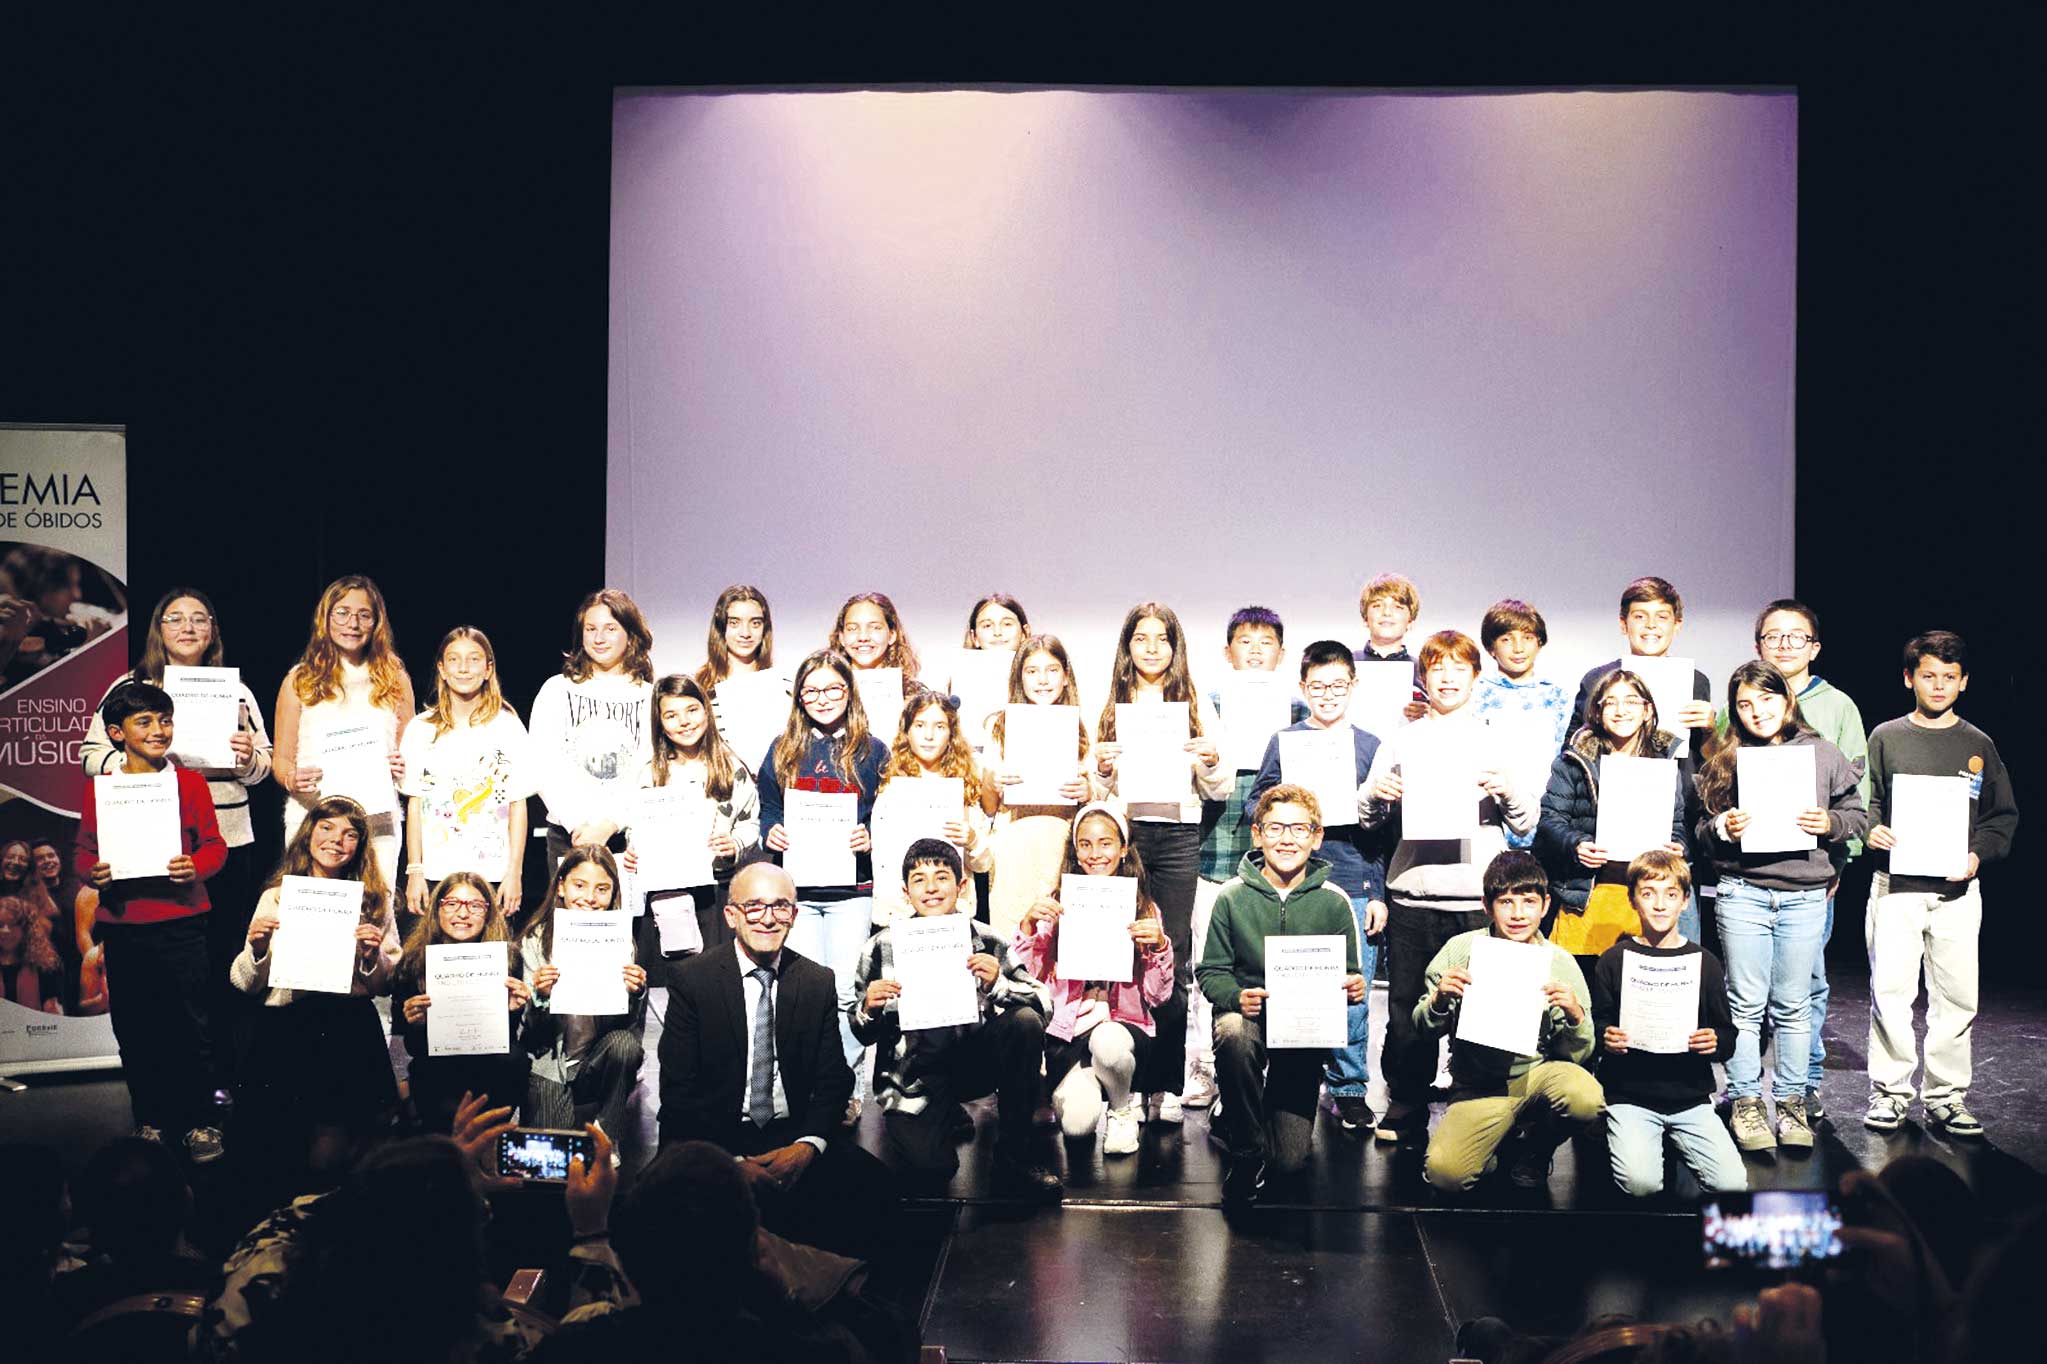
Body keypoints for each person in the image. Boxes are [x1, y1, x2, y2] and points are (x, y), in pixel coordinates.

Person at [201, 1117, 630, 1364]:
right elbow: (596, 1337)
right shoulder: (490, 1343)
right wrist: (592, 1231)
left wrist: (417, 1174)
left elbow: (299, 1216)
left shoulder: (255, 1292)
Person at [657, 857, 894, 1259]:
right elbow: (679, 1092)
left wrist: (808, 1145)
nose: (768, 918)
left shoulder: (817, 981)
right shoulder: (693, 980)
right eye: (754, 906)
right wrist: (730, 1162)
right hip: (712, 1138)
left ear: (794, 915)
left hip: (790, 1135)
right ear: (731, 915)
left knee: (878, 1192)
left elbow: (833, 1079)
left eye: (780, 906)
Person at [1358, 629, 1540, 1143]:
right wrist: (1377, 792)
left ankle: (1476, 1103)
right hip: (1414, 892)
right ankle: (1407, 1101)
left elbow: (1527, 820)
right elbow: (1366, 816)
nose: (1447, 678)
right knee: (1408, 1008)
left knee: (1483, 1008)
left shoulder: (1494, 738)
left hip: (1477, 898)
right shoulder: (1401, 738)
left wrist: (1505, 790)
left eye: (1459, 669)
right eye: (1437, 669)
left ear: (1475, 677)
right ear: (1424, 677)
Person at [82, 587, 272, 1054]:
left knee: (223, 960)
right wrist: (142, 778)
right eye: (175, 618)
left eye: (199, 619)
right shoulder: (131, 687)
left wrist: (248, 758)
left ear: (212, 632)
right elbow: (91, 755)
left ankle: (223, 1081)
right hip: (150, 844)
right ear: (158, 629)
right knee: (165, 973)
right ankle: (170, 1084)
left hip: (225, 840)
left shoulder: (238, 691)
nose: (187, 628)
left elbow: (264, 766)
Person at [1694, 660, 1868, 1153]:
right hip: (1743, 892)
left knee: (1792, 1006)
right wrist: (1724, 828)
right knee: (1744, 1006)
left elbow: (1856, 816)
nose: (1757, 712)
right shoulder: (1725, 757)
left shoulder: (1821, 752)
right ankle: (1746, 1100)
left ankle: (1791, 1102)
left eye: (1766, 700)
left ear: (1786, 700)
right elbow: (1701, 830)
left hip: (1804, 895)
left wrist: (1829, 822)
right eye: (1745, 704)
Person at [1863, 630, 2020, 1139]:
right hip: (1897, 886)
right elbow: (1868, 801)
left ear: (1964, 682)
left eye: (1949, 677)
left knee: (1956, 997)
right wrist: (1871, 829)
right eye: (1928, 675)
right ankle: (1889, 1094)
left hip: (1955, 890)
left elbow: (2001, 817)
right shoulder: (1886, 736)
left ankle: (1946, 1097)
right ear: (1909, 678)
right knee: (1890, 992)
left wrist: (1977, 855)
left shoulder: (1977, 744)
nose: (1938, 685)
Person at [850, 839, 1059, 1196]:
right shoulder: (881, 945)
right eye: (919, 880)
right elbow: (861, 1032)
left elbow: (1043, 1005)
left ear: (961, 886)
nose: (931, 888)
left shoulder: (987, 938)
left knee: (1022, 1022)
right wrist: (867, 1008)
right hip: (914, 1078)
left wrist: (999, 984)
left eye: (942, 877)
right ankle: (945, 1115)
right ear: (905, 892)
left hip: (972, 1061)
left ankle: (1014, 1160)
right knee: (932, 1171)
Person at [1093, 601, 1234, 1123]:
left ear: (1176, 648)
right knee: (1124, 958)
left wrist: (1212, 761)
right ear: (1127, 646)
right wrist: (1103, 770)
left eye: (1162, 638)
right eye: (1141, 638)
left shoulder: (1194, 702)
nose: (1151, 647)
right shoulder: (1112, 702)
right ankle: (1125, 1090)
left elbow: (1218, 785)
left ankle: (1167, 1085)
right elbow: (1098, 788)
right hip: (1127, 838)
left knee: (1169, 958)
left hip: (1177, 837)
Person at [76, 681, 229, 1162]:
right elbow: (83, 851)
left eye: (165, 720)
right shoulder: (101, 789)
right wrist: (93, 872)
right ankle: (151, 1120)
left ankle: (202, 1122)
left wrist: (196, 866)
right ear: (118, 733)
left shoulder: (189, 783)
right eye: (145, 722)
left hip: (182, 923)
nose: (159, 730)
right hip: (125, 926)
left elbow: (214, 846)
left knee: (192, 1027)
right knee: (138, 1029)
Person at [1197, 785, 1368, 1207]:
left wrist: (1354, 987)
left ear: (1317, 836)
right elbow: (1210, 971)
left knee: (1289, 1162)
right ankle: (1245, 1148)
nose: (1286, 839)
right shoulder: (1232, 896)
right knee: (1234, 1031)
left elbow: (1350, 974)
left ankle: (1236, 1115)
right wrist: (1237, 997)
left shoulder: (1335, 902)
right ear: (1257, 834)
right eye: (1275, 828)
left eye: (1298, 829)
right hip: (1251, 1019)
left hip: (1303, 1034)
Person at [1248, 640, 1390, 1136]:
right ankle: (1285, 1083)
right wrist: (1283, 802)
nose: (1328, 695)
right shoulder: (1284, 741)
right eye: (1317, 686)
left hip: (1353, 881)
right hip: (1289, 882)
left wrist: (1378, 893)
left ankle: (1350, 1089)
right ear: (1303, 687)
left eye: (1337, 685)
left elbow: (1387, 832)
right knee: (1289, 986)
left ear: (1353, 686)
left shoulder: (1372, 745)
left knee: (1352, 990)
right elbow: (1255, 807)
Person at [1742, 599, 1870, 1121]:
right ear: (1759, 646)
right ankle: (1745, 1089)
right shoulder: (1743, 701)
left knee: (1806, 983)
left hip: (1815, 873)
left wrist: (1841, 861)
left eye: (1797, 638)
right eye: (1774, 637)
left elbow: (1855, 794)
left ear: (1815, 647)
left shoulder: (1838, 706)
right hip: (1751, 877)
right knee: (1749, 989)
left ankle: (1806, 1082)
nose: (1785, 646)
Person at [230, 796, 400, 1182]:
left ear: (360, 846)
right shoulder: (276, 897)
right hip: (287, 1026)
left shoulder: (374, 902)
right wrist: (257, 950)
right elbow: (244, 982)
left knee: (337, 1148)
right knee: (281, 1143)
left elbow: (385, 984)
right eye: (327, 827)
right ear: (308, 834)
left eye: (350, 833)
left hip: (346, 1025)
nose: (337, 840)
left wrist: (372, 957)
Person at [1414, 851, 1603, 1195]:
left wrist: (1576, 1017)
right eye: (1506, 902)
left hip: (1537, 1075)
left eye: (1528, 902)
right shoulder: (1461, 949)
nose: (1518, 914)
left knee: (1584, 1098)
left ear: (1545, 906)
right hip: (1479, 1086)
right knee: (1447, 1175)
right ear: (1487, 906)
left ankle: (1537, 1149)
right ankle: (1496, 1139)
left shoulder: (1559, 962)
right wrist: (1439, 1001)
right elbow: (1421, 1027)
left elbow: (1577, 1056)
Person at [757, 648, 890, 1099]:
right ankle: (806, 1088)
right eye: (811, 690)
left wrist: (871, 834)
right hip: (798, 893)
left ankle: (847, 1090)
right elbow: (770, 809)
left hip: (852, 892)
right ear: (799, 697)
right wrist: (770, 832)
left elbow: (887, 813)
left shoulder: (873, 751)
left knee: (848, 994)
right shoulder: (782, 748)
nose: (822, 697)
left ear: (849, 691)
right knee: (805, 994)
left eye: (833, 688)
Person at [1014, 805, 1175, 1155]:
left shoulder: (1143, 907)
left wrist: (1159, 947)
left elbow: (1159, 996)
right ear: (1075, 851)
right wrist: (1028, 928)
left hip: (1121, 1029)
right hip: (1068, 1033)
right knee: (1075, 1126)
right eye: (1085, 844)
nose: (1095, 853)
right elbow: (1026, 981)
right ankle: (1075, 1091)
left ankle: (1121, 1110)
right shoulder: (1058, 903)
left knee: (1108, 1042)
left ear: (1122, 848)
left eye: (1105, 843)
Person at [1194, 605, 1301, 1110]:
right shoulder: (1204, 704)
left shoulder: (1300, 711)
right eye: (1245, 641)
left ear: (1282, 654)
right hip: (1214, 853)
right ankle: (1204, 1071)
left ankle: (1265, 1077)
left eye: (1266, 642)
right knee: (1208, 967)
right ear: (1227, 651)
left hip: (1279, 866)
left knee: (1268, 968)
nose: (1255, 650)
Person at [1592, 850, 1745, 1198]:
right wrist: (1606, 1036)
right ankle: (1627, 1137)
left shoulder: (1704, 962)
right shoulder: (1614, 960)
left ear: (1685, 901)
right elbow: (1597, 1022)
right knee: (1641, 1184)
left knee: (1732, 1184)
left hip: (1689, 1098)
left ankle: (1673, 1142)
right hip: (1630, 1096)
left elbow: (1728, 1034)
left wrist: (1715, 1041)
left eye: (1670, 894)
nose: (1660, 905)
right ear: (1633, 900)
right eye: (1648, 894)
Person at [1533, 667, 1688, 974]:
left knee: (1637, 991)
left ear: (1647, 710)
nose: (1621, 711)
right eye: (1611, 702)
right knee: (1581, 991)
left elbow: (1678, 825)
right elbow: (1550, 820)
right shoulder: (1575, 759)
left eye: (1631, 702)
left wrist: (1678, 846)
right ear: (1598, 711)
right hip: (1587, 893)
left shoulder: (1666, 759)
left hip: (1645, 895)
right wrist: (1577, 844)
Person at [272, 575, 412, 887]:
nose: (353, 623)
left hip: (377, 824)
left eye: (364, 615)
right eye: (343, 613)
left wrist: (403, 767)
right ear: (326, 617)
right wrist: (291, 778)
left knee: (375, 916)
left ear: (376, 622)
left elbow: (411, 757)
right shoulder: (300, 680)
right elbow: (280, 760)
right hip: (314, 820)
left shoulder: (394, 678)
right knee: (317, 915)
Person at [620, 673, 761, 969]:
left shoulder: (731, 766)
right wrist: (635, 850)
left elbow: (750, 823)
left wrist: (735, 844)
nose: (684, 722)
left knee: (717, 975)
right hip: (667, 891)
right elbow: (636, 826)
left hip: (717, 889)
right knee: (676, 974)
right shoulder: (651, 773)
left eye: (692, 710)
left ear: (706, 711)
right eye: (671, 715)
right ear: (660, 723)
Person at [398, 625, 534, 919]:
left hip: (493, 873)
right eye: (454, 659)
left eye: (473, 659)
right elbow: (416, 804)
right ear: (441, 669)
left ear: (488, 669)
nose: (463, 668)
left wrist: (514, 873)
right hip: (437, 872)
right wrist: (415, 870)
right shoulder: (421, 729)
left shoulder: (507, 727)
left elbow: (517, 804)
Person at [518, 846, 648, 1139]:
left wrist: (635, 992)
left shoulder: (620, 939)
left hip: (598, 1059)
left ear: (613, 893)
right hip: (551, 1063)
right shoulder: (535, 940)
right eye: (579, 885)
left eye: (602, 889)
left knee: (625, 1045)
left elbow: (629, 1029)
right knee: (554, 1158)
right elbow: (528, 1031)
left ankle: (607, 1135)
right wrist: (540, 995)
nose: (590, 898)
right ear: (561, 886)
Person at [392, 870, 532, 1132]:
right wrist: (415, 1023)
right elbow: (406, 1044)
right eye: (452, 904)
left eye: (475, 906)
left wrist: (512, 1011)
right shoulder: (412, 963)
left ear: (489, 913)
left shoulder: (508, 959)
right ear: (437, 910)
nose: (463, 914)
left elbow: (506, 1038)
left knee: (514, 1058)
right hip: (436, 1070)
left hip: (491, 1068)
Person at [530, 588, 656, 867]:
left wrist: (610, 824)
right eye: (591, 628)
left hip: (628, 838)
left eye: (610, 628)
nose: (599, 638)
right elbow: (541, 765)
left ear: (630, 634)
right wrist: (577, 824)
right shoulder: (556, 690)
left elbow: (649, 769)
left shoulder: (650, 697)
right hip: (568, 835)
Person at [982, 633, 1097, 937]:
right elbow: (989, 806)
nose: (1042, 680)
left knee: (1061, 941)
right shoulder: (999, 725)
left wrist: (1088, 793)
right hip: (1013, 846)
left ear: (1066, 676)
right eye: (1032, 671)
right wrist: (992, 783)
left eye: (1052, 670)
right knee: (1013, 938)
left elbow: (1097, 800)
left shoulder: (1083, 727)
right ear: (1020, 677)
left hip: (1062, 844)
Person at [869, 688, 993, 923]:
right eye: (919, 725)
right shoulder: (889, 788)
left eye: (939, 726)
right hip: (900, 915)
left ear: (951, 734)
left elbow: (983, 864)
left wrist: (972, 839)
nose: (929, 735)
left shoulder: (964, 789)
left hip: (952, 914)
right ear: (907, 732)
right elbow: (883, 861)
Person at [1566, 575, 1718, 743]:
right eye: (1640, 616)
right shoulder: (1596, 680)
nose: (1651, 624)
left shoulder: (1696, 682)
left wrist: (1709, 732)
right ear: (1624, 624)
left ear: (1677, 625)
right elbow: (1572, 749)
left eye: (1662, 617)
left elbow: (1702, 759)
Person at [1471, 599, 1571, 848]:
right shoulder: (1473, 695)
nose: (1518, 648)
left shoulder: (1558, 698)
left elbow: (1566, 766)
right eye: (1506, 639)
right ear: (1491, 647)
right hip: (1486, 827)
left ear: (1539, 643)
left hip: (1545, 827)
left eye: (1527, 637)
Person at [0, 894, 64, 1012]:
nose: (6, 931)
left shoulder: (45, 967)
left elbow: (52, 1010)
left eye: (13, 925)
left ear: (25, 929)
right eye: (0, 925)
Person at [1353, 571, 1420, 664]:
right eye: (1377, 606)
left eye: (1398, 607)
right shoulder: (1347, 665)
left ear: (1410, 622)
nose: (1387, 612)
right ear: (1365, 619)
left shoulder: (1421, 672)